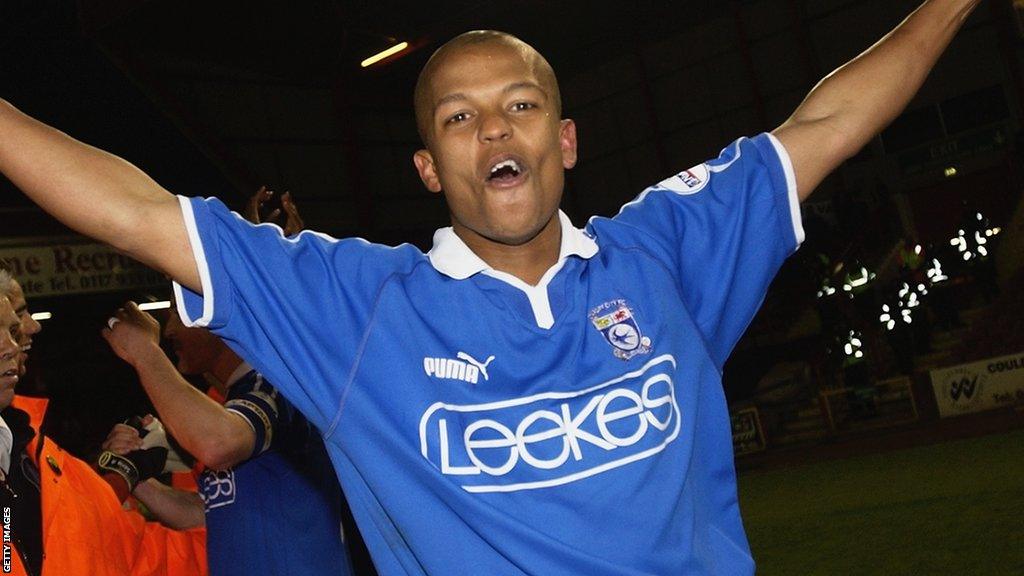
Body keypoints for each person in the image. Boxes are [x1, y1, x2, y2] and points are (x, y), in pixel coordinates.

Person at [0, 1, 981, 573]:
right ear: (429, 167)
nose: (494, 130)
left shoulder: (666, 256)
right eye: (459, 118)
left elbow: (828, 125)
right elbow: (132, 211)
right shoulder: (357, 308)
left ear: (563, 140)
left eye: (519, 106)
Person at [100, 299, 355, 576]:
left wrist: (144, 351)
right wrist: (137, 476)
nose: (169, 329)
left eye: (178, 311)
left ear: (216, 311)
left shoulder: (277, 385)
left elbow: (218, 443)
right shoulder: (238, 403)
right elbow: (210, 515)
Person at [0, 269, 207, 576]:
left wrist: (128, 473)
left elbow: (138, 552)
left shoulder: (36, 454)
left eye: (12, 331)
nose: (12, 346)